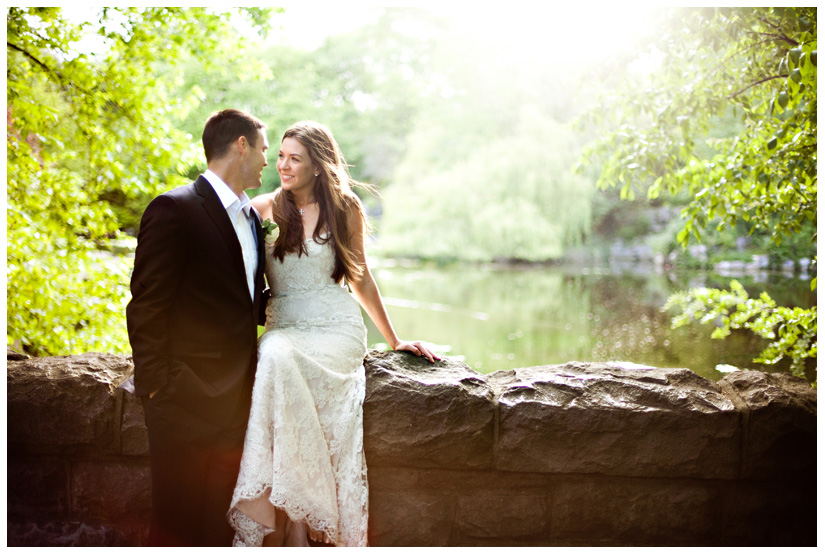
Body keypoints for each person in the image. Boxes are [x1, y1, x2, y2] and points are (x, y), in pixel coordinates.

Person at [227, 121, 440, 546]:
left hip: (336, 329)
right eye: (281, 156)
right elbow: (238, 277)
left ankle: (304, 524)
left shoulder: (346, 209)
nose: (283, 166)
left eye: (295, 159)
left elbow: (359, 278)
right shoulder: (263, 209)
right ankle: (293, 519)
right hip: (284, 325)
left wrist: (394, 340)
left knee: (279, 360)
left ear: (319, 166)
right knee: (274, 355)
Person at [126, 108, 271, 546]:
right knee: (175, 527)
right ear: (241, 146)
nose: (268, 160)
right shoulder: (175, 208)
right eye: (264, 148)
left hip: (236, 405)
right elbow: (147, 306)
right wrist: (159, 390)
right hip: (182, 404)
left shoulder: (250, 218)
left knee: (214, 529)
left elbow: (244, 302)